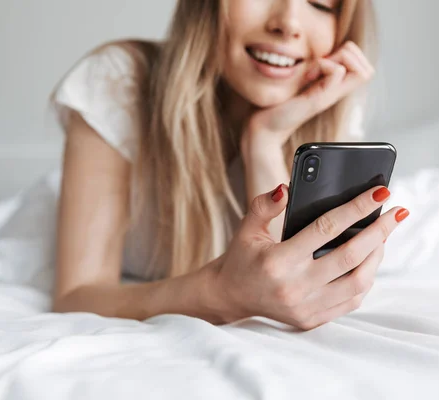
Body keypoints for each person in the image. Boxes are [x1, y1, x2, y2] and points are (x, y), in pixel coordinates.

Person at [50, 0, 410, 330]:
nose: (288, 23)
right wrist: (221, 294)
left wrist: (264, 141)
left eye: (320, 3)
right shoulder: (118, 81)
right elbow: (76, 298)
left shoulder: (329, 108)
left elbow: (286, 286)